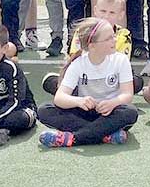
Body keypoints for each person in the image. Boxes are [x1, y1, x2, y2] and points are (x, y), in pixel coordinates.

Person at [38, 17, 140, 148]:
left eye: (113, 36)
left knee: (130, 111)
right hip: (84, 114)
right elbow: (60, 97)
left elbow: (127, 95)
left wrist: (113, 103)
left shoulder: (121, 60)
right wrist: (79, 101)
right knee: (44, 110)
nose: (114, 40)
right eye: (108, 38)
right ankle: (105, 134)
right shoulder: (78, 64)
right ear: (92, 46)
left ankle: (73, 138)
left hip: (109, 114)